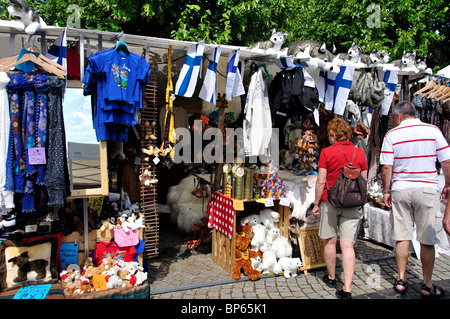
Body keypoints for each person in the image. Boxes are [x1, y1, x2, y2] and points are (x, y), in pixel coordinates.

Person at [380, 100, 450, 299]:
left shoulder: (392, 135)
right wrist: (448, 184)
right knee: (427, 238)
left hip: (401, 189)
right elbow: (446, 161)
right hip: (426, 188)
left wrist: (386, 190)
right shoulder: (433, 130)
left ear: (397, 117)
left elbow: (386, 166)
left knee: (402, 236)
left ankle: (401, 279)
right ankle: (427, 284)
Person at [312, 118, 368, 299]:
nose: (329, 138)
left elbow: (321, 181)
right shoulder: (359, 153)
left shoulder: (327, 153)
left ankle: (331, 277)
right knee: (347, 245)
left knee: (330, 241)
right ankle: (347, 288)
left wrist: (316, 203)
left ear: (334, 135)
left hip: (330, 201)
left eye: (330, 135)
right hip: (352, 203)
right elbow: (364, 182)